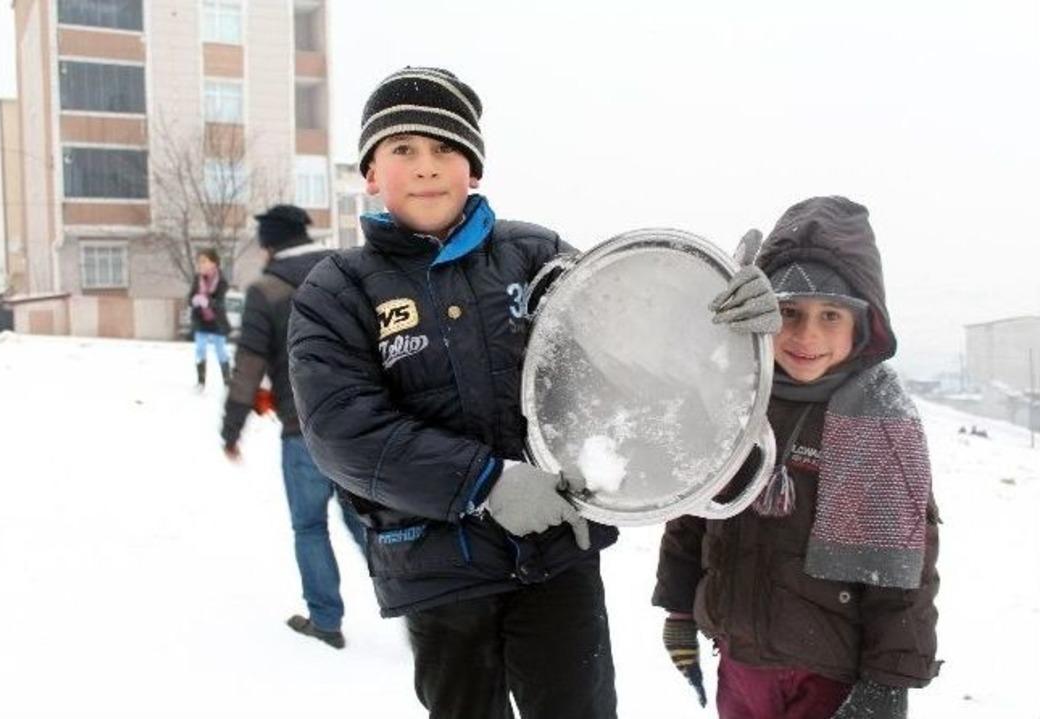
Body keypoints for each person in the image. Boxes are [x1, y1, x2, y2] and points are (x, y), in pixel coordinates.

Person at [287, 66, 779, 719]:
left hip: (555, 560)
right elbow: (342, 430)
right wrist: (485, 483)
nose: (427, 167)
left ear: (475, 168)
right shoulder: (339, 289)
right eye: (403, 150)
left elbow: (628, 354)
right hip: (439, 574)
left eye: (445, 149)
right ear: (371, 173)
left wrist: (718, 324)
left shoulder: (533, 256)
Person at [654, 196, 941, 719]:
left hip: (829, 678)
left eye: (830, 315)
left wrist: (886, 685)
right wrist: (678, 606)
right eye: (789, 312)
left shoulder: (878, 422)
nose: (807, 336)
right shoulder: (735, 400)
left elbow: (904, 572)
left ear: (864, 325)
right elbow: (692, 514)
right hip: (739, 665)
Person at [221, 204, 366, 649]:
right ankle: (420, 612)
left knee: (309, 526)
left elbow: (248, 366)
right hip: (361, 426)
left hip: (303, 429)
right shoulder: (345, 274)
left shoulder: (265, 290)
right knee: (368, 522)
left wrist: (231, 428)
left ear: (268, 243)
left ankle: (326, 622)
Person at [188, 248, 232, 388]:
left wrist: (207, 302)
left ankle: (227, 380)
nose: (200, 265)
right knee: (200, 349)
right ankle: (201, 381)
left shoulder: (222, 281)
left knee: (220, 351)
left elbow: (219, 302)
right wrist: (194, 300)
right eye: (199, 262)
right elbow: (189, 298)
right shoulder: (197, 279)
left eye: (204, 261)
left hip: (217, 321)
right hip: (201, 321)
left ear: (213, 263)